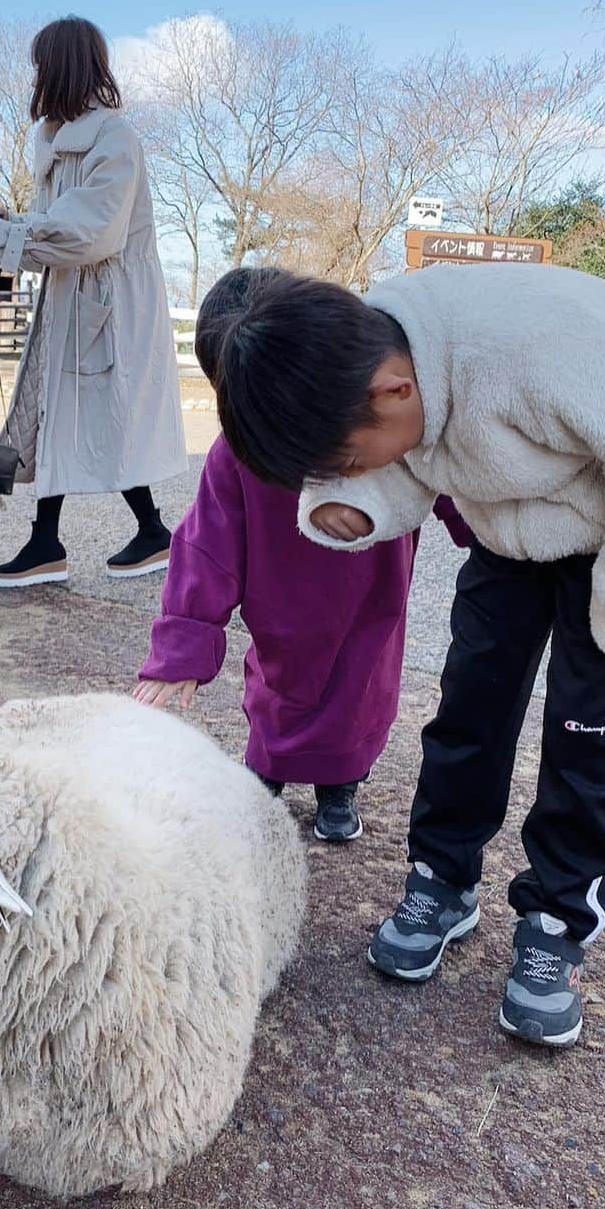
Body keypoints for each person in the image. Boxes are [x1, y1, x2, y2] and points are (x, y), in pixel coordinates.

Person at [213, 263, 605, 1049]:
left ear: (392, 392)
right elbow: (409, 460)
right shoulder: (376, 362)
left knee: (588, 735)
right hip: (509, 530)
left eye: (349, 462)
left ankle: (558, 920)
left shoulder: (531, 349)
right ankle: (442, 879)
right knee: (469, 709)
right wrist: (356, 501)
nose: (352, 473)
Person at [134, 268, 471, 843]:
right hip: (281, 604)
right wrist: (182, 646)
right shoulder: (235, 456)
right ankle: (265, 774)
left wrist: (496, 534)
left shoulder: (375, 422)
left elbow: (451, 480)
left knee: (358, 698)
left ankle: (340, 788)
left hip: (369, 600)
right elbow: (205, 544)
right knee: (277, 694)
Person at [0, 16, 186, 587]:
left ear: (62, 66)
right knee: (58, 410)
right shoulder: (54, 145)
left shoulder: (115, 138)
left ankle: (150, 532)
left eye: (43, 64)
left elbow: (93, 231)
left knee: (105, 413)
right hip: (72, 295)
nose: (36, 76)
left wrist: (17, 232)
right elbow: (58, 231)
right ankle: (53, 542)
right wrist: (8, 227)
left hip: (113, 303)